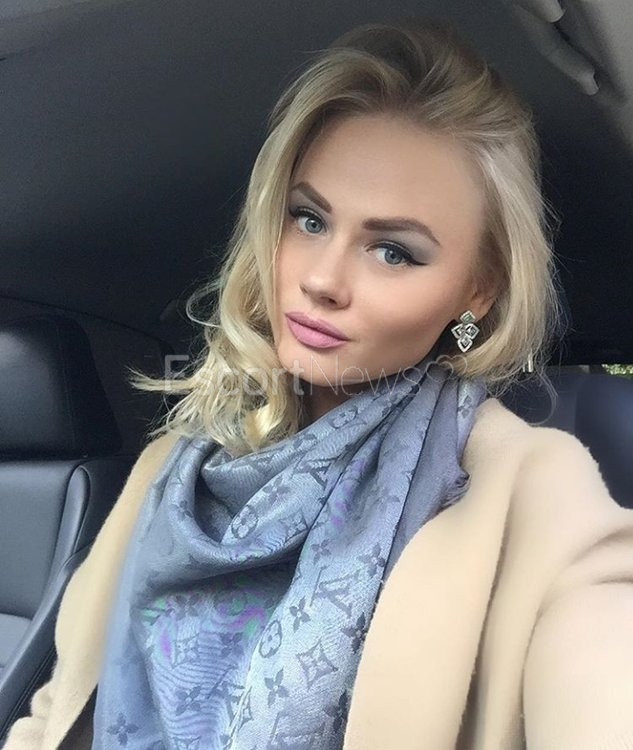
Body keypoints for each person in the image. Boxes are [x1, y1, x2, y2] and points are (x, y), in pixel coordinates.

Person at [4, 18, 633, 750]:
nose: (323, 279)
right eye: (308, 219)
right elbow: (58, 709)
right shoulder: (173, 467)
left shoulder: (531, 494)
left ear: (476, 293)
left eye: (393, 252)